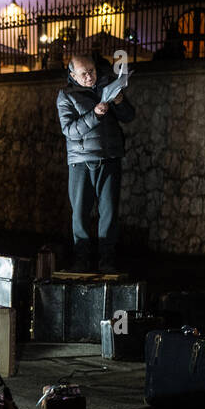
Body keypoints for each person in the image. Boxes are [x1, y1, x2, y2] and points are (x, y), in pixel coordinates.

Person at [56, 54, 136, 273]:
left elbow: (129, 116)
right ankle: (81, 260)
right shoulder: (66, 96)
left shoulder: (107, 86)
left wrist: (120, 102)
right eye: (84, 73)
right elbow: (70, 131)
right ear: (73, 75)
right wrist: (95, 115)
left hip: (110, 158)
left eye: (92, 70)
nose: (89, 76)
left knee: (109, 212)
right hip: (81, 162)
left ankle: (107, 260)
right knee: (80, 213)